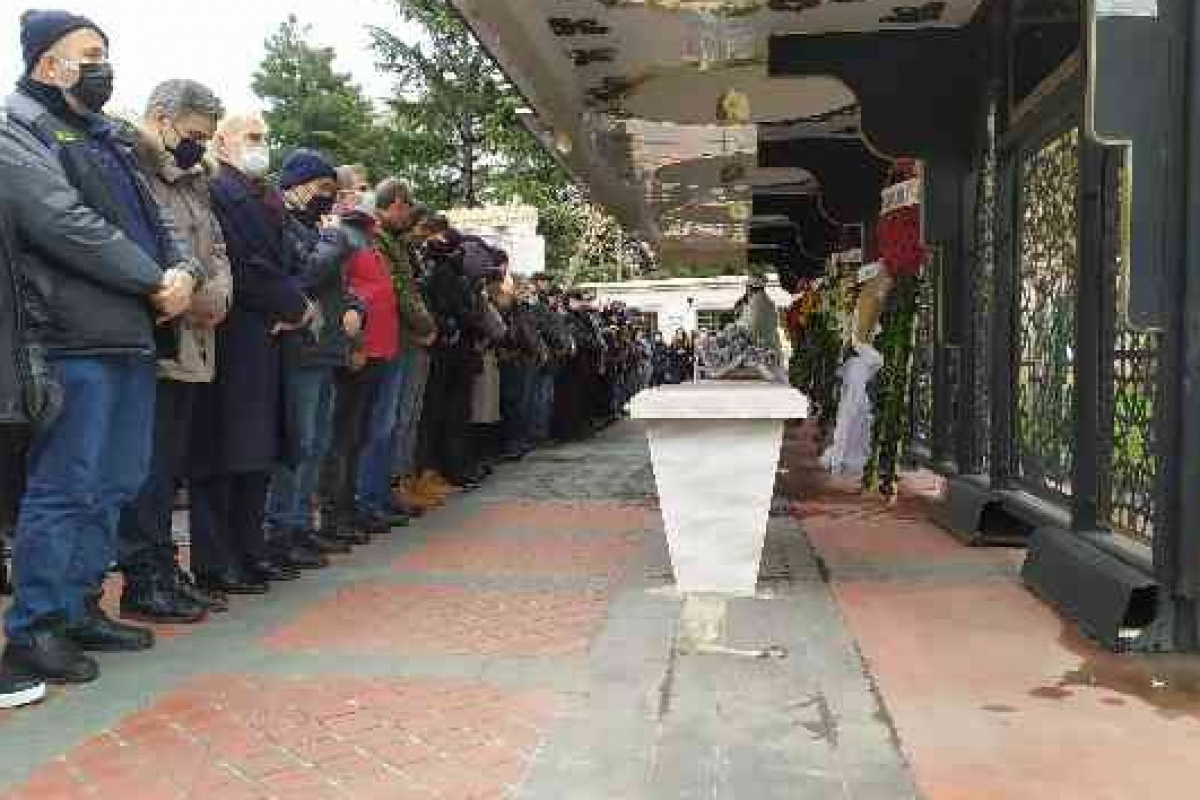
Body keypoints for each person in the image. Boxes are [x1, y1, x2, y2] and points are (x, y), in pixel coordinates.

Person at [0, 10, 207, 688]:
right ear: (47, 61)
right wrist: (155, 279)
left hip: (130, 335)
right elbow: (61, 222)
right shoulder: (16, 129)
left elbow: (156, 220)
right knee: (66, 485)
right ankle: (35, 628)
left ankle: (82, 606)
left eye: (105, 54)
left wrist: (185, 273)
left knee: (116, 481)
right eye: (88, 53)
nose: (101, 66)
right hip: (70, 337)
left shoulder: (108, 139)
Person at [118, 79, 232, 625]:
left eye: (206, 138)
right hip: (158, 336)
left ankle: (162, 567)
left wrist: (216, 297)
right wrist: (191, 294)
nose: (199, 147)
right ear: (160, 118)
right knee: (150, 469)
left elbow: (214, 251)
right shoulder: (131, 170)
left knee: (170, 466)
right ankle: (144, 576)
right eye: (193, 134)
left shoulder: (197, 183)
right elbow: (157, 250)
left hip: (197, 338)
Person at [191, 113, 313, 597]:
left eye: (266, 137)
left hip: (266, 333)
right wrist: (292, 303)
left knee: (256, 451)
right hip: (234, 331)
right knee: (222, 450)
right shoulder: (218, 191)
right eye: (252, 137)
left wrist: (295, 302)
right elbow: (239, 261)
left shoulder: (265, 196)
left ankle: (248, 547)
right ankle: (216, 559)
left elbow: (291, 259)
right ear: (222, 141)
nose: (262, 146)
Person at [268, 149, 365, 558]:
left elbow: (338, 288)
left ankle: (302, 524)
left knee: (318, 441)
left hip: (326, 349)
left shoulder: (315, 228)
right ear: (296, 185)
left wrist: (357, 308)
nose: (327, 197)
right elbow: (304, 274)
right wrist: (333, 238)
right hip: (301, 347)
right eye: (321, 188)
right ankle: (283, 527)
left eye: (331, 189)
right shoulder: (288, 225)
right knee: (299, 442)